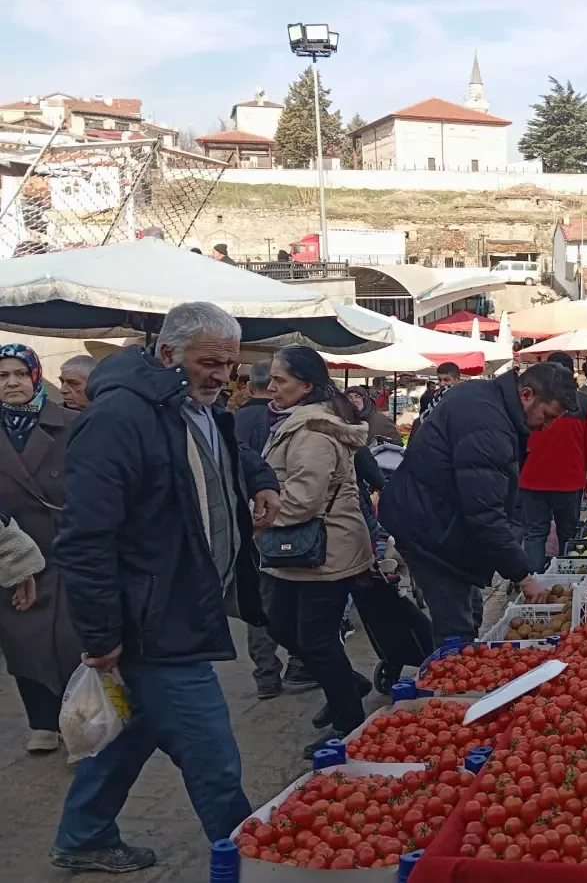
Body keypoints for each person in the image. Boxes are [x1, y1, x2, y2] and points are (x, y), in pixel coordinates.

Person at [51, 302, 281, 874]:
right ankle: (252, 860)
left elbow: (224, 451)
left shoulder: (193, 408)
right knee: (214, 757)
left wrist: (261, 479)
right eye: (208, 362)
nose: (220, 375)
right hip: (154, 621)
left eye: (229, 364)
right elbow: (84, 538)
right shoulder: (121, 419)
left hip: (179, 605)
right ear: (166, 354)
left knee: (137, 731)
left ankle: (83, 836)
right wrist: (101, 634)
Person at [382, 364, 577, 640]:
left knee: (471, 609)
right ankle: (445, 679)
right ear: (526, 394)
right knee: (455, 625)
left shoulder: (488, 399)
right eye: (547, 416)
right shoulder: (488, 424)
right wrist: (523, 577)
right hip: (428, 532)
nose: (547, 426)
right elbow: (485, 512)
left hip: (442, 521)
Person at [260, 346, 375, 758]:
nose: (271, 387)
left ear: (305, 385)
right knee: (284, 628)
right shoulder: (295, 424)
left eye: (280, 379)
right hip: (302, 551)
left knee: (315, 640)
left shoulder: (312, 432)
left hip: (325, 551)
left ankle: (349, 722)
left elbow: (303, 499)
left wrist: (256, 515)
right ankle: (349, 684)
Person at [0, 344, 82, 755]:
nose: (10, 382)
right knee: (22, 640)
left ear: (34, 376)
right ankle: (41, 722)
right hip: (11, 554)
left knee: (70, 641)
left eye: (18, 373)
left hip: (64, 549)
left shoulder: (69, 422)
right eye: (2, 376)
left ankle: (75, 723)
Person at [232, 362, 314, 699]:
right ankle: (299, 662)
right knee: (295, 597)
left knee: (258, 600)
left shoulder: (233, 421)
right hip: (292, 523)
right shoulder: (297, 423)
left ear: (250, 386)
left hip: (250, 522)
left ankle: (266, 675)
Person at [519, 352, 587, 573]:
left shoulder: (531, 402)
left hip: (531, 479)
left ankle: (534, 580)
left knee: (535, 533)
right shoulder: (584, 404)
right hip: (569, 481)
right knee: (569, 533)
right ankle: (567, 579)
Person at [409, 361, 461, 440]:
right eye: (440, 380)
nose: (442, 384)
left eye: (446, 380)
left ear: (457, 379)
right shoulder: (435, 396)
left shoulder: (463, 397)